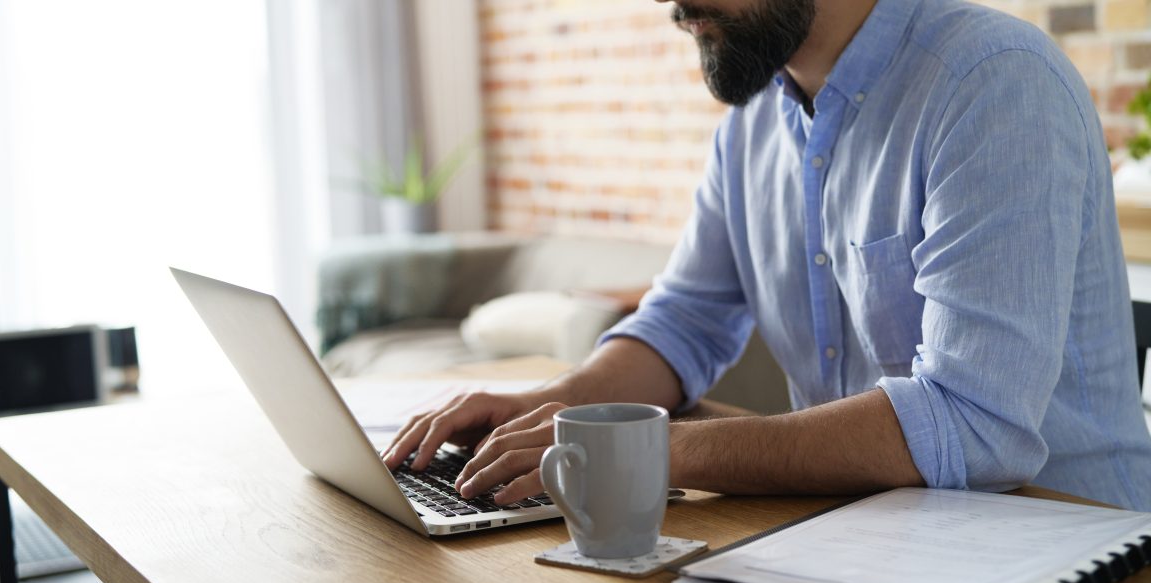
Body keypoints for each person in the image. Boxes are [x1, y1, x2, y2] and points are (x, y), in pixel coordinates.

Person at [384, 0, 1151, 511]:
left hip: (1073, 551)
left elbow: (975, 422)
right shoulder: (751, 129)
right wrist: (557, 403)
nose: (670, 4)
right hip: (879, 533)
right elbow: (682, 323)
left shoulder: (993, 82)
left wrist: (654, 450)